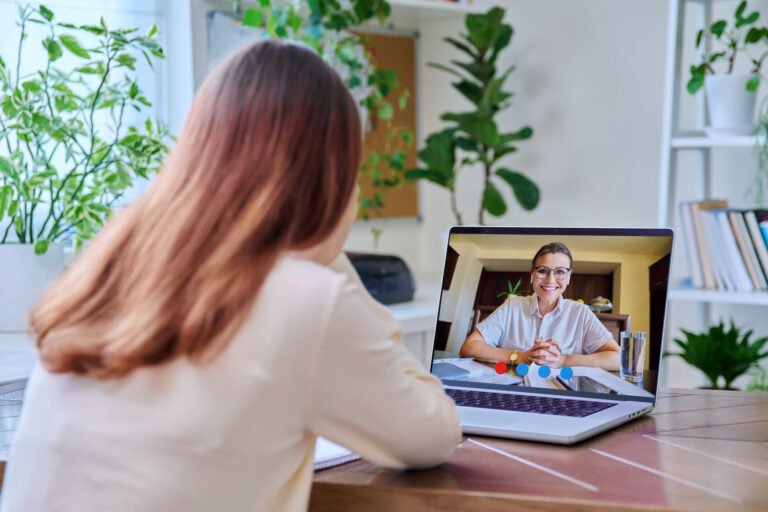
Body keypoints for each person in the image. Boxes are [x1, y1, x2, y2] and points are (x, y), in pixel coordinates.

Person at [0, 41, 461, 512]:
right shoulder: (306, 299)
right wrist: (323, 256)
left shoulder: (112, 265)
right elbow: (432, 433)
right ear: (329, 179)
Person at [459, 243, 620, 371]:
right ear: (532, 275)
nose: (550, 280)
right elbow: (469, 346)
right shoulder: (512, 306)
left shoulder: (580, 313)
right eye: (542, 271)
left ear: (568, 277)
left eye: (560, 272)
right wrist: (521, 357)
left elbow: (620, 359)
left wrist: (564, 360)